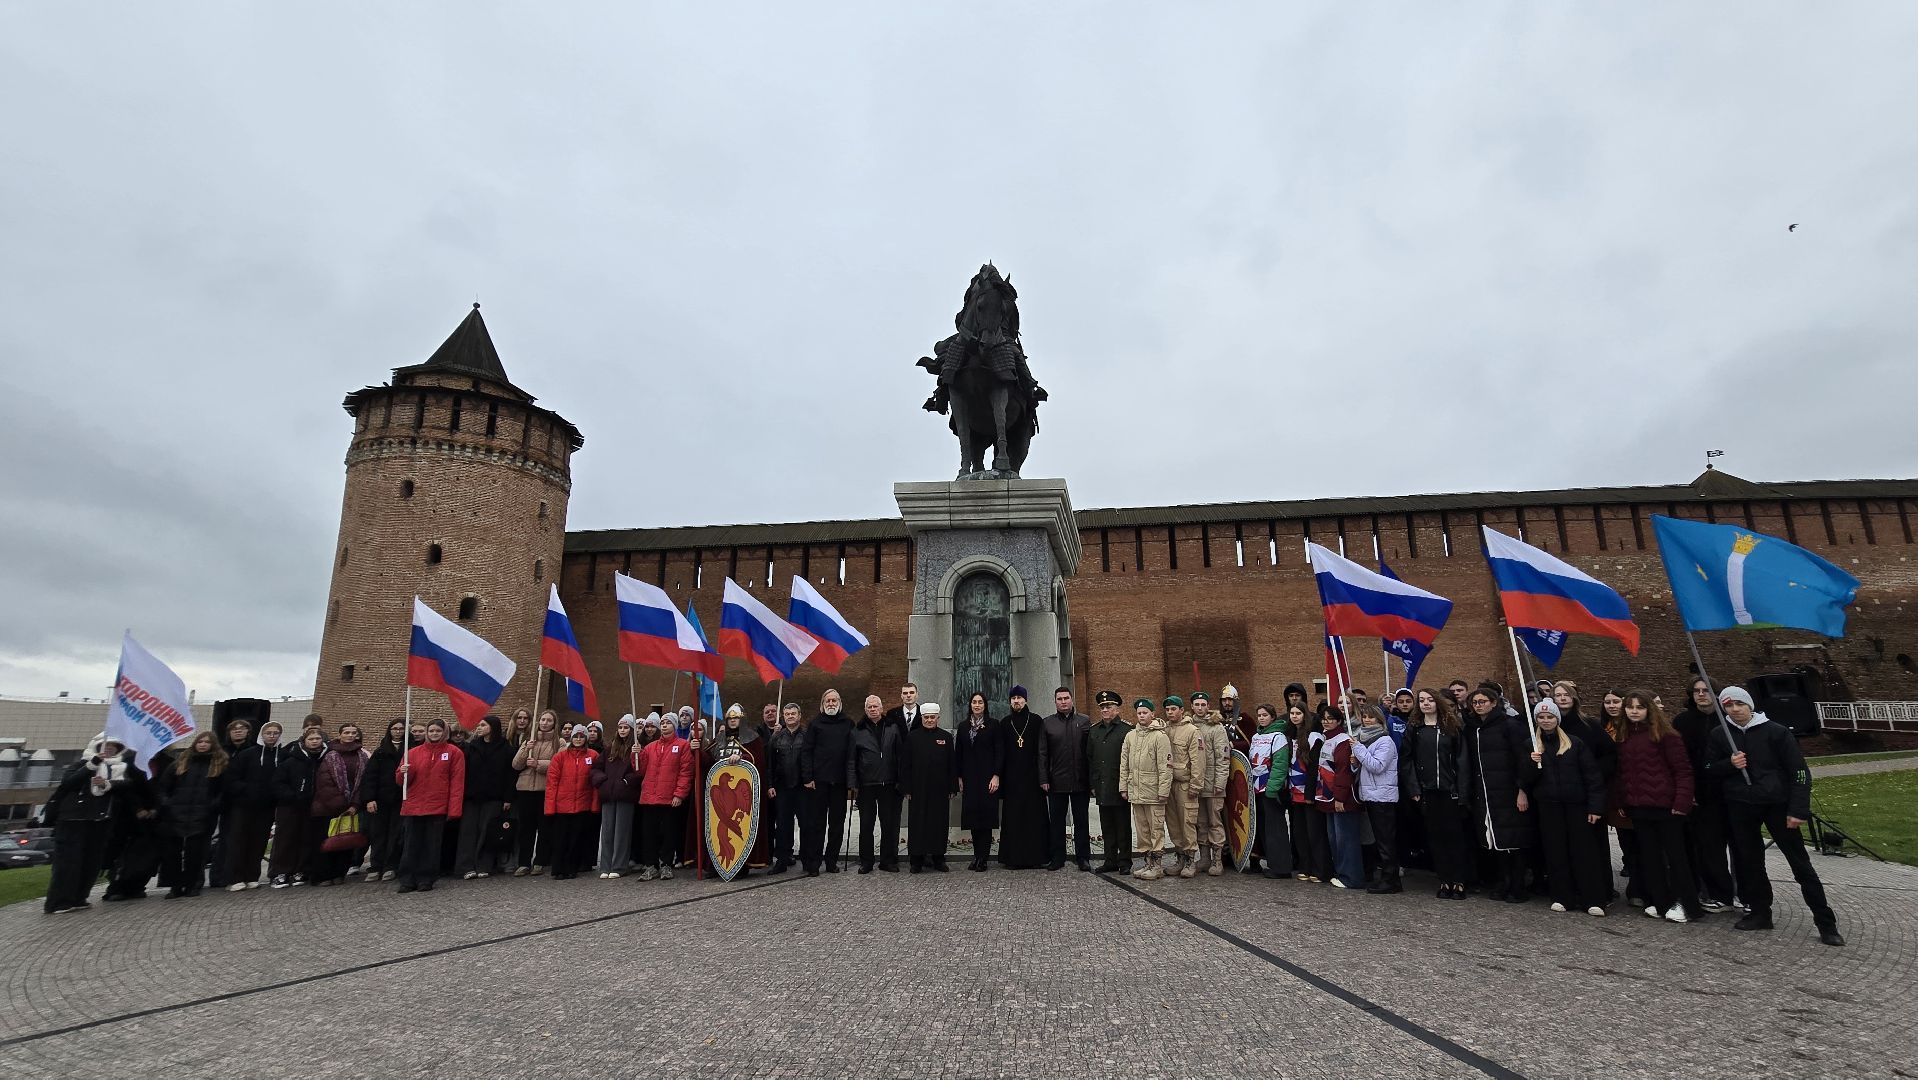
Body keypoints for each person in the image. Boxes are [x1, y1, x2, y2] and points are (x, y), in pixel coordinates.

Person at [1706, 686, 1843, 946]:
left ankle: (1826, 922)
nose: (1734, 709)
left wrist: (1798, 809)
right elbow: (1708, 767)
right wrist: (1729, 765)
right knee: (1750, 862)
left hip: (1776, 804)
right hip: (1741, 804)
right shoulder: (1720, 734)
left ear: (1750, 705)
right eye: (1728, 705)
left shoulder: (1776, 732)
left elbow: (1799, 772)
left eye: (1739, 704)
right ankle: (1760, 913)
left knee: (1800, 865)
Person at [1615, 690, 1700, 924]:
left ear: (1649, 710)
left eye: (1639, 707)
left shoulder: (1667, 735)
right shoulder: (1624, 737)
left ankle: (1687, 904)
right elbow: (1624, 774)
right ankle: (1661, 901)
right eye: (1630, 707)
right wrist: (1623, 800)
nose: (1634, 711)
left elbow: (1682, 770)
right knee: (1650, 858)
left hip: (1667, 806)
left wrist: (1682, 801)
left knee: (1676, 858)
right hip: (1639, 806)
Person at [1529, 700, 1607, 916]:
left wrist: (1595, 807)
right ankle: (1562, 896)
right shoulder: (1532, 746)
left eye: (1550, 717)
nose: (1545, 721)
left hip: (1576, 805)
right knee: (1556, 853)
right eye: (1541, 717)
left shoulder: (1575, 743)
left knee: (1584, 852)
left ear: (1557, 719)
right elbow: (1525, 780)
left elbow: (1592, 777)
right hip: (1549, 806)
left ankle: (1592, 898)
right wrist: (1531, 763)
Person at [42, 734, 132, 914]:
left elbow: (126, 786)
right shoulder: (81, 764)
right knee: (68, 863)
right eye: (107, 745)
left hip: (99, 821)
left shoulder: (119, 769)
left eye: (115, 746)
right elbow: (68, 783)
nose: (110, 749)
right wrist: (93, 764)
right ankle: (59, 901)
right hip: (73, 821)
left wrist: (107, 784)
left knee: (91, 862)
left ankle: (79, 897)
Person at [1462, 686, 1536, 903]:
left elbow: (1522, 759)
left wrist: (1522, 789)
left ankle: (1518, 885)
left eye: (1483, 701)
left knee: (1514, 841)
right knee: (1495, 841)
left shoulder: (1510, 726)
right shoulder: (1472, 728)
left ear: (1493, 703)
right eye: (1475, 703)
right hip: (1485, 792)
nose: (1479, 706)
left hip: (1509, 791)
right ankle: (1503, 882)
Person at [1670, 677, 1737, 912]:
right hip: (1701, 793)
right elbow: (1680, 759)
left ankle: (1744, 893)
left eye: (1706, 690)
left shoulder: (1730, 720)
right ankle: (1718, 893)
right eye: (1697, 691)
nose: (1701, 694)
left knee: (1740, 847)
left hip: (1731, 792)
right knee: (1709, 847)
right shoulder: (1682, 721)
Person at [1552, 680, 1620, 903]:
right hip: (1560, 795)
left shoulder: (1589, 725)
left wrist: (1591, 774)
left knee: (1593, 845)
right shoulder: (1549, 726)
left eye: (1566, 695)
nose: (1562, 699)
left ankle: (1602, 889)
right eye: (1557, 695)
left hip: (1587, 793)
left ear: (1574, 698)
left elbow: (1609, 754)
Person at [1405, 689, 1469, 900]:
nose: (1425, 704)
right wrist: (1414, 788)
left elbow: (1462, 761)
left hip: (1450, 791)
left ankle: (1459, 880)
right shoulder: (1415, 729)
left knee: (1454, 836)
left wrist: (1462, 790)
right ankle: (1444, 879)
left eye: (1430, 700)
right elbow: (1407, 761)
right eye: (1421, 700)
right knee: (1436, 837)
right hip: (1427, 790)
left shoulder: (1452, 728)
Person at [395, 720, 465, 893]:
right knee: (411, 844)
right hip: (414, 805)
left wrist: (454, 809)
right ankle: (407, 879)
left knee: (431, 845)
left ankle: (426, 878)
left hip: (437, 806)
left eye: (438, 731)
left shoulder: (454, 752)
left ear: (444, 732)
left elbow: (457, 782)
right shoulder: (412, 752)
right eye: (431, 730)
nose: (434, 733)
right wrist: (404, 772)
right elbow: (400, 782)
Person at [156, 731, 227, 898]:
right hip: (176, 815)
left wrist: (213, 806)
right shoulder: (180, 763)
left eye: (207, 742)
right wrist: (168, 804)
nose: (202, 744)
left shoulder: (219, 765)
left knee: (195, 854)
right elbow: (163, 788)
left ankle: (193, 884)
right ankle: (175, 886)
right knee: (173, 854)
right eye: (200, 741)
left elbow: (223, 791)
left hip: (202, 816)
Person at [222, 720, 288, 890]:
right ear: (261, 734)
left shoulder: (282, 755)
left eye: (275, 733)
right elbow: (232, 778)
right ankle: (234, 878)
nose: (272, 736)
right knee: (238, 841)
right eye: (268, 733)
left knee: (258, 842)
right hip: (243, 805)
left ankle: (252, 875)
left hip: (266, 807)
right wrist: (247, 790)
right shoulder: (248, 754)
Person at [706, 703, 771, 874]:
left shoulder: (753, 738)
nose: (733, 721)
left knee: (738, 826)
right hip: (719, 795)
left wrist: (742, 757)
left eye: (736, 718)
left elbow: (758, 761)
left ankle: (742, 864)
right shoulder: (719, 739)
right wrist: (696, 750)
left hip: (740, 795)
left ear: (742, 720)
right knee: (718, 829)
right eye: (730, 718)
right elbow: (706, 761)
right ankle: (717, 862)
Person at [449, 716, 513, 880]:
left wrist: (507, 798)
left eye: (483, 725)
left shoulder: (505, 748)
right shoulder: (472, 747)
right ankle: (465, 866)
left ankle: (484, 865)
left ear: (493, 727)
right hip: (472, 796)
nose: (479, 727)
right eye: (479, 724)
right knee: (468, 832)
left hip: (494, 796)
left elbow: (509, 775)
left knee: (487, 831)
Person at [848, 694, 906, 873]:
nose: (873, 709)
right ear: (865, 710)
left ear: (881, 708)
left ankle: (887, 860)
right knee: (866, 824)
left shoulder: (892, 727)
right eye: (869, 707)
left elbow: (900, 756)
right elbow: (852, 760)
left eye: (875, 706)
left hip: (888, 783)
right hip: (867, 785)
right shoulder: (857, 731)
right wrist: (852, 784)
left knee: (888, 824)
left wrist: (901, 780)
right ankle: (866, 861)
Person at [798, 690, 853, 875]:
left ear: (840, 702)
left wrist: (852, 782)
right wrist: (807, 777)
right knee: (817, 824)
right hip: (818, 783)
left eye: (834, 700)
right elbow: (806, 752)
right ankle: (814, 863)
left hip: (839, 782)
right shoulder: (815, 724)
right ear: (823, 703)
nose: (831, 703)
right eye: (828, 700)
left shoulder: (848, 724)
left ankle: (831, 861)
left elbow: (852, 754)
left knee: (837, 825)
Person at [636, 708, 695, 879]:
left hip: (669, 798)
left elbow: (686, 772)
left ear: (674, 726)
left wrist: (679, 794)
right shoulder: (650, 747)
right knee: (649, 833)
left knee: (669, 833)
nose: (664, 725)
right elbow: (640, 771)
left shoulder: (682, 745)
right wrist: (636, 756)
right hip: (649, 797)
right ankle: (650, 865)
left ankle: (666, 864)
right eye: (662, 723)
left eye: (668, 722)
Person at [995, 686, 1050, 869]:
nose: (1016, 701)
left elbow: (1043, 751)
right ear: (1010, 701)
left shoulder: (1035, 721)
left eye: (1019, 698)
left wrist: (1043, 777)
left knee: (1034, 818)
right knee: (1013, 819)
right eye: (1013, 698)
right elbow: (1001, 753)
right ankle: (1013, 858)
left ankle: (1036, 857)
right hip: (1012, 780)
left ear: (1026, 700)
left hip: (1033, 778)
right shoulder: (1005, 722)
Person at [1038, 687, 1093, 872]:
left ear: (1072, 699)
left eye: (1066, 698)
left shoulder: (1084, 721)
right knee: (1057, 823)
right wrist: (1044, 778)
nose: (1063, 701)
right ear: (1055, 701)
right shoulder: (1048, 723)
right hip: (1056, 782)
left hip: (1080, 781)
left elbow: (1090, 753)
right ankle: (1057, 858)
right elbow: (1042, 754)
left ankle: (1083, 858)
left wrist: (1091, 781)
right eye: (1059, 699)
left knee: (1081, 822)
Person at [308, 723, 370, 886]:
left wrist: (355, 805)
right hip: (326, 807)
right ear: (340, 735)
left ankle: (339, 873)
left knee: (345, 841)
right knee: (326, 842)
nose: (350, 735)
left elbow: (362, 782)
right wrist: (341, 805)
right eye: (347, 732)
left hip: (351, 807)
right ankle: (323, 875)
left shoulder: (362, 756)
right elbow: (325, 782)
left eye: (353, 733)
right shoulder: (330, 755)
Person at [1119, 698, 1172, 881]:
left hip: (1153, 792)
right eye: (1139, 713)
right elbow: (1124, 764)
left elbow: (1166, 766)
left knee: (1156, 828)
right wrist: (1123, 787)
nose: (1141, 716)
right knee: (1142, 830)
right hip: (1136, 790)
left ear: (1152, 714)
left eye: (1145, 712)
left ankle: (1157, 866)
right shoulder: (1130, 736)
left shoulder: (1160, 736)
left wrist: (1163, 791)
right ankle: (1147, 862)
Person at [1352, 705, 1401, 893]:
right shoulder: (1365, 740)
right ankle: (1387, 877)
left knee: (1385, 840)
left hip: (1383, 796)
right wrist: (1356, 762)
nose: (1366, 720)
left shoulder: (1385, 741)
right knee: (1378, 839)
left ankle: (1391, 879)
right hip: (1371, 794)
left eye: (1371, 717)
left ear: (1379, 720)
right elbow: (1363, 767)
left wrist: (1358, 750)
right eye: (1364, 717)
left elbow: (1377, 766)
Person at [269, 727, 325, 888]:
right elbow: (278, 783)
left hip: (313, 805)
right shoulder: (291, 760)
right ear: (304, 741)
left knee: (307, 839)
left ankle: (300, 870)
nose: (314, 742)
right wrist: (292, 796)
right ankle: (280, 872)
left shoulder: (324, 758)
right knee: (285, 839)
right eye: (311, 739)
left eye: (317, 739)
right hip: (290, 806)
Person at [903, 702, 955, 872]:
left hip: (940, 790)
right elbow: (906, 765)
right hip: (918, 789)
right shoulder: (912, 737)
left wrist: (951, 787)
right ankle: (916, 860)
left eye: (933, 717)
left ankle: (939, 858)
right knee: (918, 824)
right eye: (927, 718)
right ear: (922, 718)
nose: (930, 720)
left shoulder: (946, 738)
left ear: (938, 718)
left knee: (939, 824)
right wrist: (907, 788)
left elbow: (951, 765)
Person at [543, 725, 600, 880]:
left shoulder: (593, 756)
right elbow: (552, 783)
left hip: (582, 804)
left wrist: (594, 805)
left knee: (576, 839)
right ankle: (558, 868)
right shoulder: (560, 757)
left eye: (582, 736)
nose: (578, 739)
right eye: (576, 736)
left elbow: (596, 783)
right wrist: (550, 807)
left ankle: (571, 868)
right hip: (562, 805)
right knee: (560, 839)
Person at [1314, 705, 1362, 889]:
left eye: (1331, 718)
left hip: (1341, 797)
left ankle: (1351, 876)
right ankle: (1341, 872)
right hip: (1327, 794)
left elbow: (1343, 771)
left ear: (1339, 720)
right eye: (1324, 718)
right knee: (1334, 838)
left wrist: (1340, 797)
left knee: (1345, 839)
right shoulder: (1326, 738)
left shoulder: (1342, 741)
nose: (1326, 721)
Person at [1086, 690, 1133, 875]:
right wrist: (1092, 784)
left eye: (1109, 707)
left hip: (1119, 786)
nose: (1105, 710)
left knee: (1122, 826)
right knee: (1107, 826)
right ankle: (1110, 860)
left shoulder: (1126, 730)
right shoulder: (1094, 730)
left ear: (1117, 708)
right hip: (1102, 786)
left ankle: (1125, 861)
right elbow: (1090, 759)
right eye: (1102, 707)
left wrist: (1127, 784)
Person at [955, 691, 1003, 871]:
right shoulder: (963, 727)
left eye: (980, 702)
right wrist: (959, 776)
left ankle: (983, 857)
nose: (977, 705)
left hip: (988, 777)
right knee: (973, 818)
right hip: (969, 778)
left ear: (985, 705)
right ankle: (976, 855)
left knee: (986, 818)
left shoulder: (993, 725)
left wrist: (996, 775)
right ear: (970, 705)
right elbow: (958, 753)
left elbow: (1000, 752)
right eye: (974, 702)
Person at [510, 711, 560, 876]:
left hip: (544, 789)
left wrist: (539, 764)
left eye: (549, 720)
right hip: (525, 789)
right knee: (526, 828)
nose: (545, 723)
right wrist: (526, 749)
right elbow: (516, 765)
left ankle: (540, 861)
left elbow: (558, 764)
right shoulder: (528, 740)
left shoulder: (558, 743)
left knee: (544, 827)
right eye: (543, 719)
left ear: (554, 723)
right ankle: (524, 862)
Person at [592, 715, 642, 878]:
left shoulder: (635, 749)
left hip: (625, 795)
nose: (622, 730)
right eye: (620, 727)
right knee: (607, 832)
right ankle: (605, 866)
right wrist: (602, 781)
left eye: (626, 727)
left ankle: (619, 866)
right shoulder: (609, 750)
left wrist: (626, 782)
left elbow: (640, 771)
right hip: (609, 794)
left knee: (622, 832)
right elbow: (596, 768)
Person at [1190, 691, 1233, 877]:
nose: (1200, 708)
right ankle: (1204, 857)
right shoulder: (1189, 726)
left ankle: (1217, 859)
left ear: (1208, 706)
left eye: (1203, 704)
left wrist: (1220, 782)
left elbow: (1223, 758)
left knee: (1215, 822)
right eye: (1197, 705)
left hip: (1213, 783)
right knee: (1200, 822)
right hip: (1195, 784)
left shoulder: (1216, 728)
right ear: (1191, 706)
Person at [1247, 703, 1292, 879]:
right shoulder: (1256, 736)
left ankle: (1282, 867)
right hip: (1257, 789)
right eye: (1259, 715)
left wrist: (1273, 788)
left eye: (1265, 715)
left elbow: (1280, 764)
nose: (1261, 718)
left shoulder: (1278, 737)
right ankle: (1272, 863)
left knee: (1276, 829)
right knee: (1265, 829)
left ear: (1273, 717)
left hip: (1271, 789)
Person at [359, 720, 405, 883]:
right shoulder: (380, 752)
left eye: (401, 729)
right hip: (381, 799)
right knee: (378, 834)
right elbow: (370, 777)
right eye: (395, 728)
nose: (398, 731)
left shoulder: (409, 749)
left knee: (395, 834)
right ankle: (376, 865)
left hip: (400, 799)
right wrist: (369, 798)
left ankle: (390, 866)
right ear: (389, 731)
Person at [1285, 702, 1326, 883]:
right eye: (1292, 713)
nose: (1295, 716)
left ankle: (1320, 869)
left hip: (1310, 792)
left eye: (1298, 713)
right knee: (1299, 832)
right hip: (1294, 791)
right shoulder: (1289, 736)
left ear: (1305, 715)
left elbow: (1314, 767)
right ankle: (1306, 866)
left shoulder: (1314, 736)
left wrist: (1310, 793)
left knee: (1314, 833)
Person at [1161, 695, 1201, 878]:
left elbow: (1198, 761)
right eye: (1167, 709)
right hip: (1169, 784)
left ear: (1181, 710)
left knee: (1187, 822)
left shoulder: (1192, 731)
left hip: (1185, 785)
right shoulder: (1164, 730)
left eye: (1173, 709)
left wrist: (1196, 785)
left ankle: (1191, 859)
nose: (1170, 712)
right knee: (1173, 824)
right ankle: (1180, 858)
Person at [766, 703, 806, 874]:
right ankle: (781, 860)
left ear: (799, 716)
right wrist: (770, 785)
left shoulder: (807, 735)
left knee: (806, 825)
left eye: (793, 713)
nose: (790, 716)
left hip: (803, 787)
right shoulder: (776, 737)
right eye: (787, 713)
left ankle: (808, 860)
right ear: (783, 716)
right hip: (782, 787)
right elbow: (770, 764)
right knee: (783, 826)